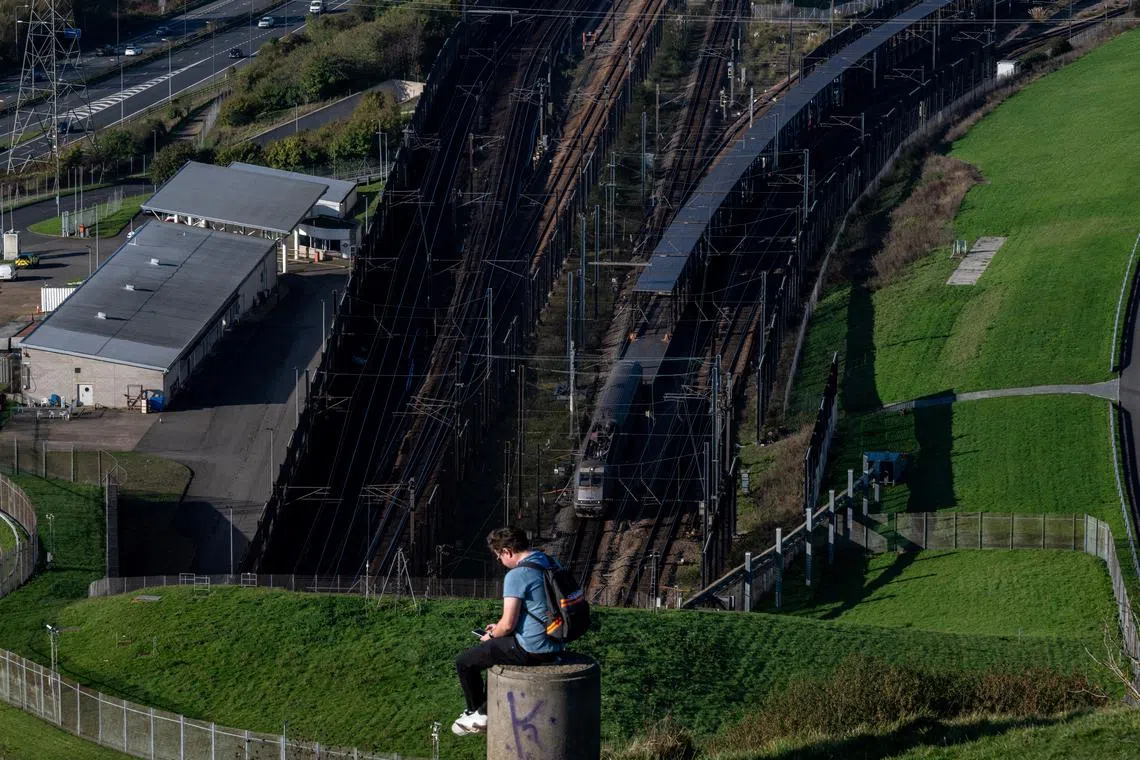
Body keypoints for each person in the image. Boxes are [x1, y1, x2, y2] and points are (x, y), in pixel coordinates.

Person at [452, 526, 563, 736]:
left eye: (498, 557)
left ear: (507, 551)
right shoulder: (548, 561)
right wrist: (501, 629)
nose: (500, 562)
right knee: (493, 649)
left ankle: (478, 712)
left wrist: (491, 634)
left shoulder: (517, 575)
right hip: (555, 640)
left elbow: (508, 625)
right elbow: (538, 606)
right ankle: (482, 710)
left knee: (465, 661)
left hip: (531, 648)